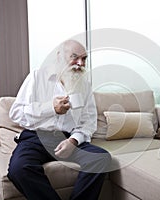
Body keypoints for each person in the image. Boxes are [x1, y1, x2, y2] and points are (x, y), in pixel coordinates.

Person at [7, 39, 111, 200]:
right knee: (18, 169)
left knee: (100, 158)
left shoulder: (84, 84)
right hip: (36, 138)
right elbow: (16, 113)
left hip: (69, 138)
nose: (80, 63)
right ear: (59, 57)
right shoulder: (37, 76)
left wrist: (73, 141)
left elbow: (89, 122)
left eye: (84, 59)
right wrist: (51, 108)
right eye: (75, 57)